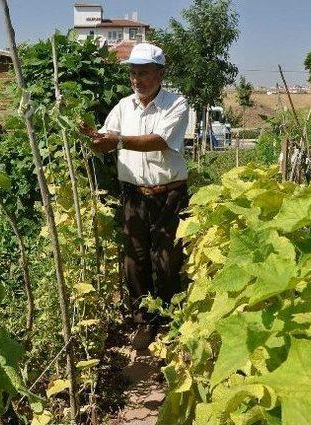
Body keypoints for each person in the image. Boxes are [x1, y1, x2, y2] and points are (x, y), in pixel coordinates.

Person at [83, 43, 190, 349]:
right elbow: (106, 142)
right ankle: (144, 320)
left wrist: (116, 140)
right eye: (133, 73)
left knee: (167, 259)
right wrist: (91, 137)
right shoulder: (123, 106)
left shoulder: (176, 104)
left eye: (143, 72)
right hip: (133, 194)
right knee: (135, 259)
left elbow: (158, 141)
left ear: (161, 73)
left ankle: (171, 321)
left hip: (169, 195)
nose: (137, 79)